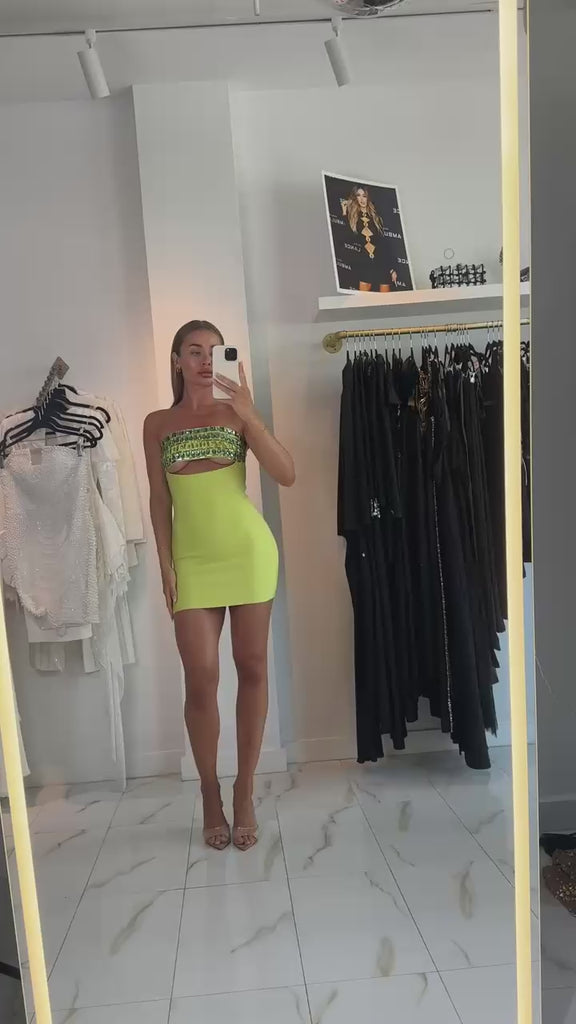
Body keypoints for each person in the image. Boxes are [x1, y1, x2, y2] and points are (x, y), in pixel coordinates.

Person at [143, 320, 295, 852]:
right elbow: (159, 500)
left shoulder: (237, 414)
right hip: (193, 561)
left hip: (248, 554)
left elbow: (286, 473)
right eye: (194, 351)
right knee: (201, 675)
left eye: (214, 351)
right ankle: (209, 792)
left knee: (252, 667)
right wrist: (165, 564)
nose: (206, 360)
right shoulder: (157, 423)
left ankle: (244, 790)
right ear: (177, 361)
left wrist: (251, 416)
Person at [340, 185, 399, 292]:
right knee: (364, 299)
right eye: (358, 195)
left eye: (364, 196)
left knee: (386, 299)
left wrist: (391, 269)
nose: (362, 199)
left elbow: (384, 244)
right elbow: (347, 237)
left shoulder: (376, 216)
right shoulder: (353, 217)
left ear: (368, 197)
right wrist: (344, 212)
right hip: (365, 262)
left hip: (382, 261)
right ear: (355, 198)